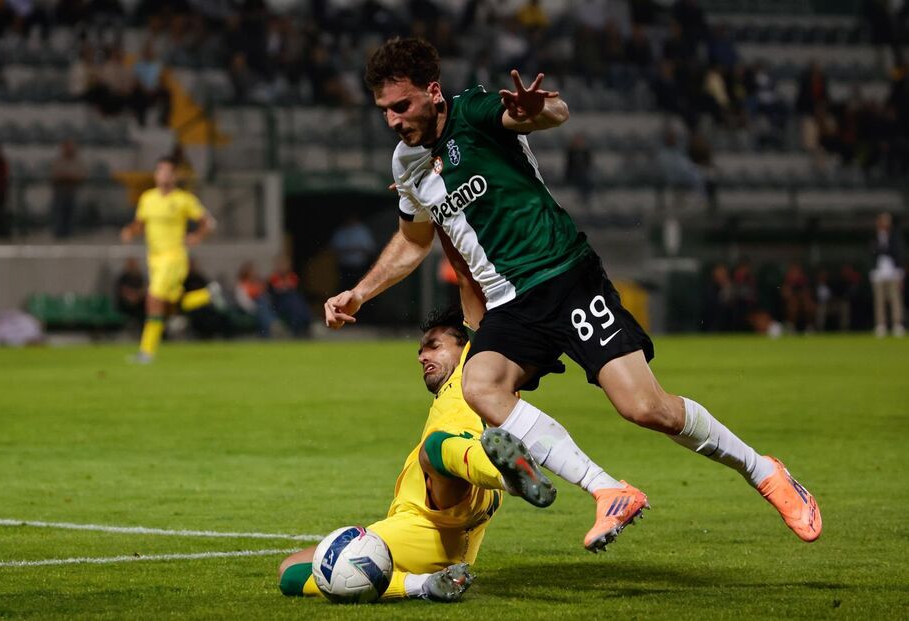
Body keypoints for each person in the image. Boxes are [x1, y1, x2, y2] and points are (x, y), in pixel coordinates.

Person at [324, 37, 822, 552]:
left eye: (401, 106)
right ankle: (608, 490)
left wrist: (541, 110)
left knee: (644, 407)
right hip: (510, 304)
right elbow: (413, 239)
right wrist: (360, 293)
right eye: (384, 110)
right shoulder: (405, 162)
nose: (393, 120)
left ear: (432, 92)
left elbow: (546, 113)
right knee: (481, 384)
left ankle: (763, 470)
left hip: (564, 276)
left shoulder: (473, 111)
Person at [279, 308, 536, 602]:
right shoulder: (487, 384)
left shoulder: (477, 364)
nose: (422, 356)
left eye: (434, 346)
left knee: (434, 448)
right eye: (420, 350)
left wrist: (459, 258)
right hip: (440, 522)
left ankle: (506, 474)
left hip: (449, 496)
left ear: (466, 346)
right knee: (293, 570)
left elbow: (471, 287)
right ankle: (425, 583)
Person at [120, 156, 218, 363]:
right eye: (159, 170)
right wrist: (130, 231)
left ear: (174, 175)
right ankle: (206, 296)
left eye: (167, 171)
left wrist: (197, 236)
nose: (162, 175)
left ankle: (146, 352)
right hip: (154, 258)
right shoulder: (147, 198)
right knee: (171, 304)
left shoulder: (184, 199)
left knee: (152, 299)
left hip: (174, 258)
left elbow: (207, 222)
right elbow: (139, 223)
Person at [870, 212, 905, 337]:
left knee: (895, 299)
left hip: (892, 272)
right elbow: (871, 253)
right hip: (879, 273)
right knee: (879, 300)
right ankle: (881, 324)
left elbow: (899, 253)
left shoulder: (895, 237)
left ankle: (897, 324)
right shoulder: (874, 236)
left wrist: (900, 271)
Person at [50, 140, 87, 239]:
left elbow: (80, 176)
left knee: (72, 216)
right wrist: (68, 177)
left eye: (71, 147)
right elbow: (55, 176)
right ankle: (58, 236)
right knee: (59, 215)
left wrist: (67, 177)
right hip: (60, 192)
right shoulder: (58, 161)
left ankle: (70, 236)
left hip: (73, 191)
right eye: (67, 147)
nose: (69, 150)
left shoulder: (78, 161)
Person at [330, 214, 377, 292]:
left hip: (360, 267)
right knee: (345, 289)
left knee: (361, 289)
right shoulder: (340, 231)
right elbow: (333, 249)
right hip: (344, 268)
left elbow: (370, 249)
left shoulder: (362, 230)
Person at [267, 255, 311, 337]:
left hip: (294, 303)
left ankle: (303, 325)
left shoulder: (292, 276)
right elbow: (275, 293)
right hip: (279, 304)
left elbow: (295, 288)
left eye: (285, 264)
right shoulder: (273, 278)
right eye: (281, 264)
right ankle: (299, 328)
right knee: (292, 300)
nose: (283, 267)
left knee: (296, 300)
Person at [115, 257, 147, 326]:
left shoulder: (139, 277)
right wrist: (132, 296)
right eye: (131, 264)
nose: (133, 266)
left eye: (134, 264)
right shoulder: (123, 277)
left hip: (138, 303)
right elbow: (124, 291)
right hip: (125, 304)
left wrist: (137, 296)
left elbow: (143, 290)